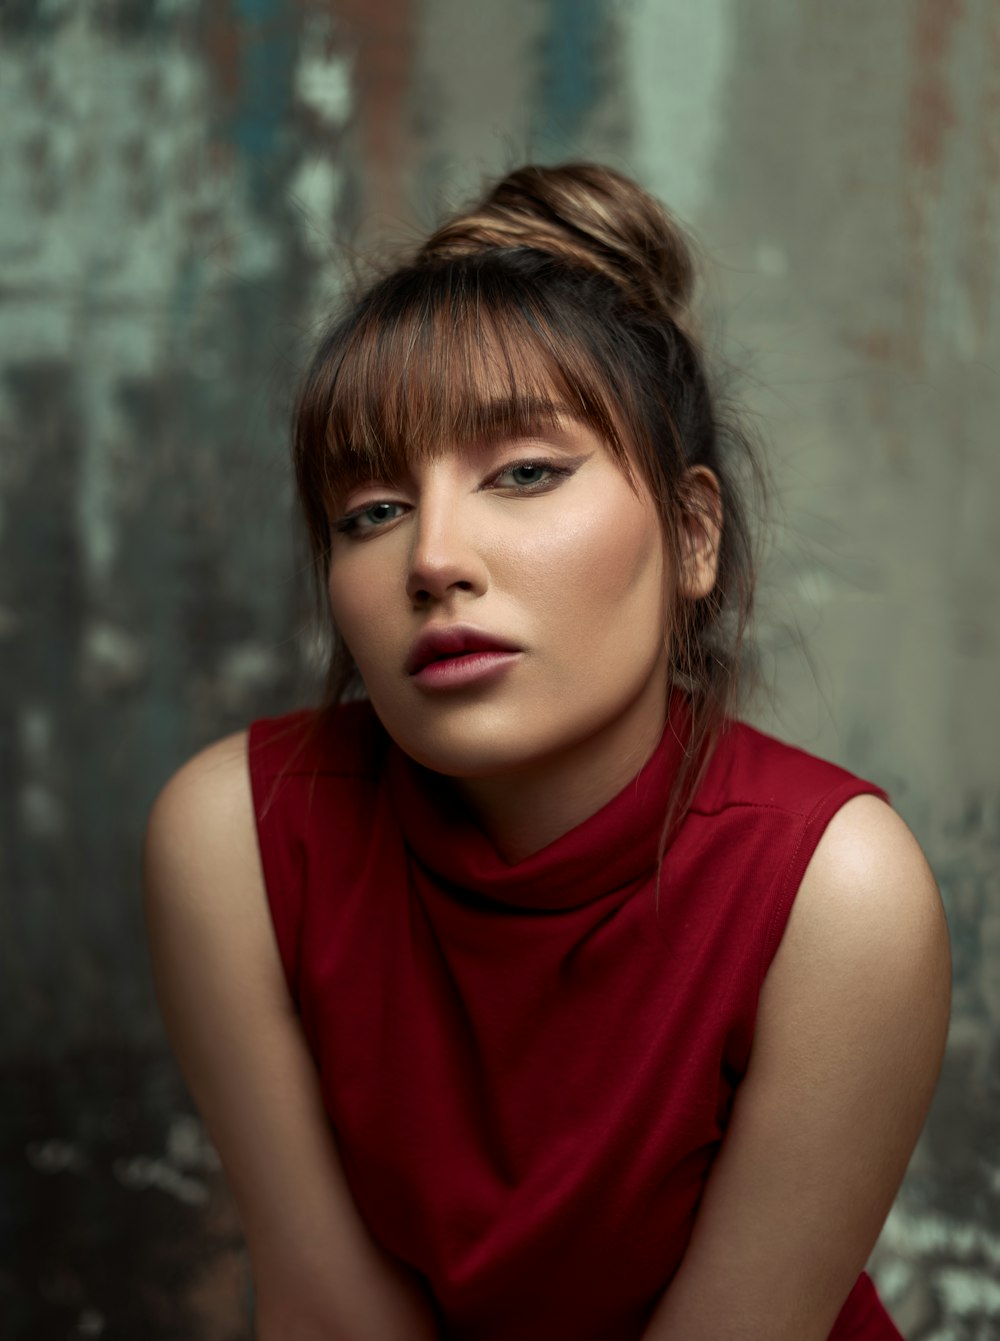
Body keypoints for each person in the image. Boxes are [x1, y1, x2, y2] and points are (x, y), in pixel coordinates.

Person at [142, 163, 951, 1341]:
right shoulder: (232, 840)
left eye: (523, 473)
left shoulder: (837, 893)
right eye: (371, 511)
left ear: (690, 535)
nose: (433, 558)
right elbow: (326, 1313)